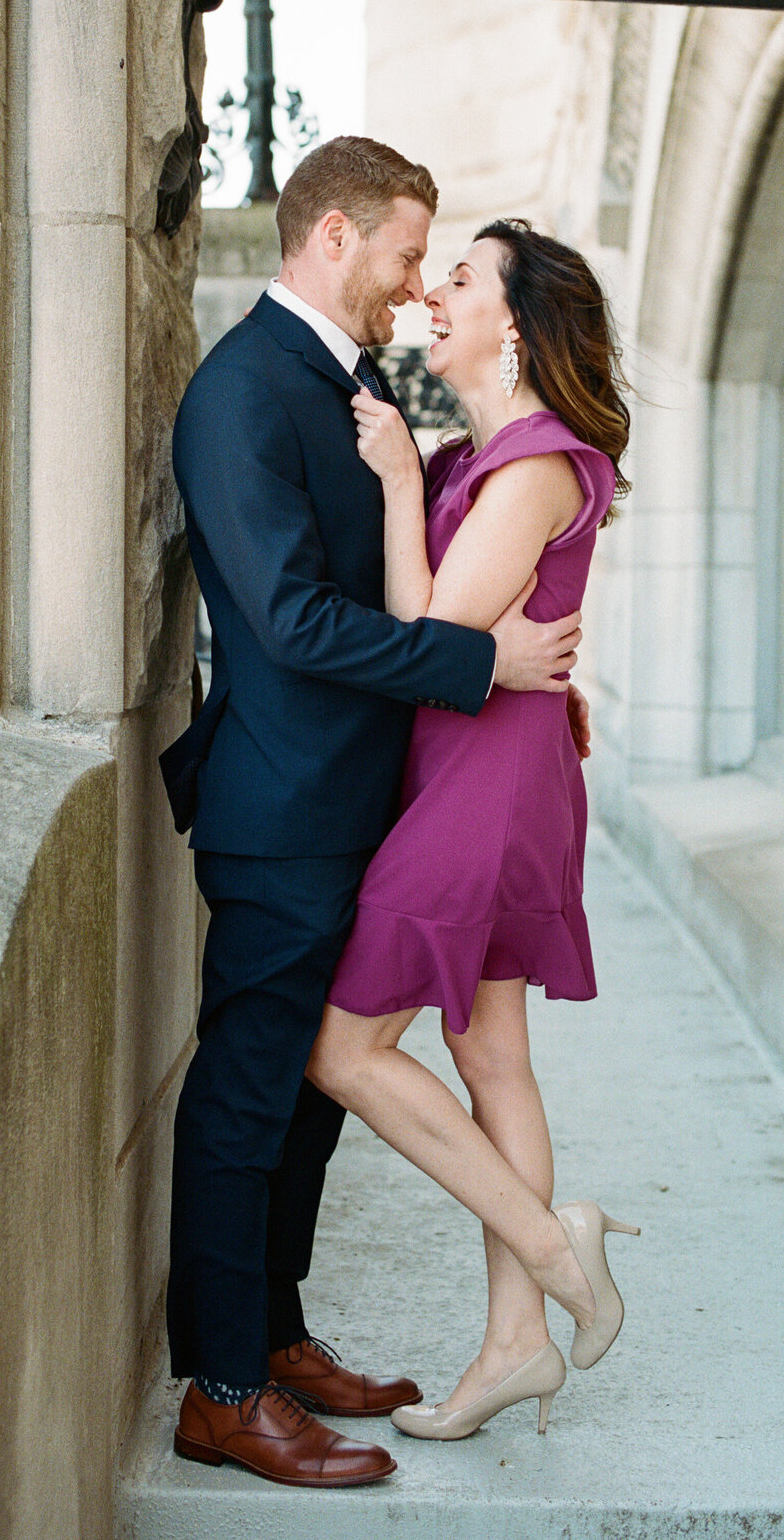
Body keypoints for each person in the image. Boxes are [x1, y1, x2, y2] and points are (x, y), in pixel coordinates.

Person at [160, 140, 592, 1488]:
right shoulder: (241, 390)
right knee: (247, 1096)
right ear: (333, 235)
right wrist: (486, 665)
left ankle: (276, 1335)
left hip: (366, 802)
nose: (418, 285)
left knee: (308, 1103)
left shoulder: (341, 383)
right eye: (411, 253)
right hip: (281, 804)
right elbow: (289, 619)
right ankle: (223, 1388)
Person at [308, 218, 637, 1442]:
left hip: (485, 793)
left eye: (461, 278)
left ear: (517, 321)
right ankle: (513, 1348)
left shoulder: (536, 462)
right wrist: (417, 489)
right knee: (492, 1060)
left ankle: (558, 1251)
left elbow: (428, 637)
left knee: (345, 1049)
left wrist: (398, 486)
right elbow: (437, 638)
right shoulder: (471, 461)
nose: (433, 291)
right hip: (480, 768)